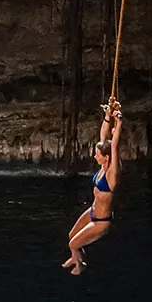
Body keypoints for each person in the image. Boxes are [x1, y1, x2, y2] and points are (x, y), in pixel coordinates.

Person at [63, 99, 122, 275]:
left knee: (73, 243)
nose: (94, 157)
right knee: (70, 236)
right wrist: (107, 116)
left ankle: (80, 265)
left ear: (106, 157)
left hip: (101, 222)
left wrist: (118, 122)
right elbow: (104, 138)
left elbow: (115, 146)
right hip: (92, 212)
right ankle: (76, 257)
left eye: (97, 155)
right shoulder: (103, 167)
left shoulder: (112, 174)